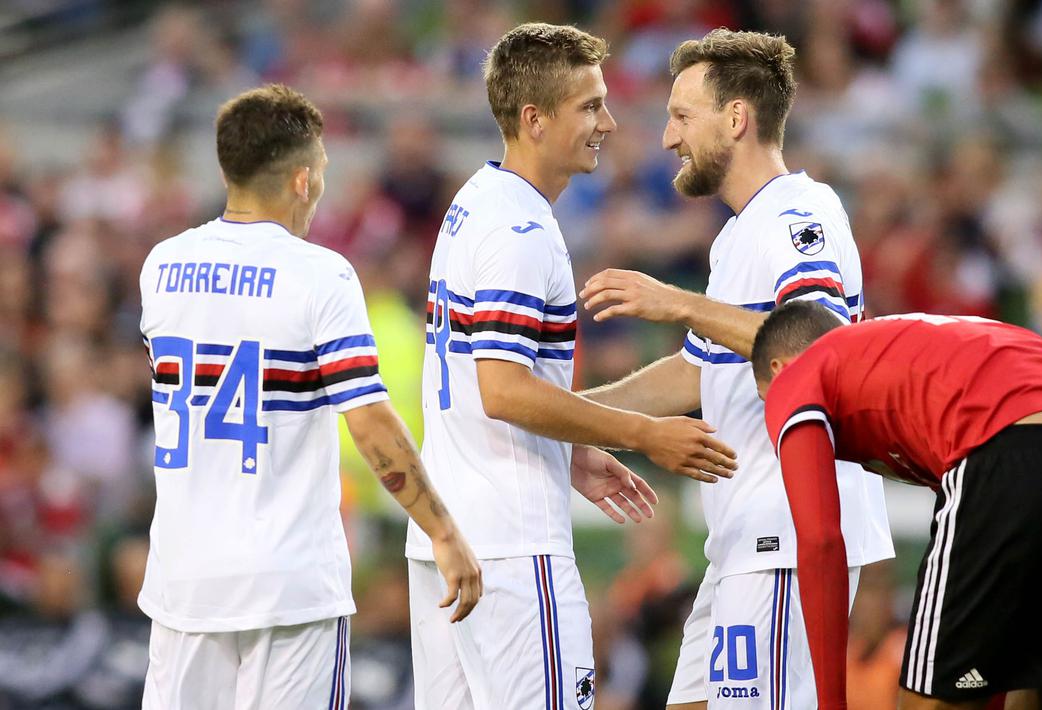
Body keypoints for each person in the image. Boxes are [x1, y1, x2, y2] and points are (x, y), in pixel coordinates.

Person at [407, 23, 738, 710]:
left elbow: (478, 385)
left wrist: (570, 452)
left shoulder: (475, 203)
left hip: (451, 537)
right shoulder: (519, 232)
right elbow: (503, 390)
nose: (608, 123)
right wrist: (639, 434)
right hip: (511, 548)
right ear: (534, 119)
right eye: (589, 106)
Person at [138, 84, 481, 710]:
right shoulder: (321, 275)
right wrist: (443, 531)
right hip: (288, 585)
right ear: (302, 182)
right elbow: (371, 424)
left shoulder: (162, 266)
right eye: (320, 173)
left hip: (182, 582)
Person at [579, 29, 893, 708]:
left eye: (681, 116)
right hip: (741, 536)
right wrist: (574, 419)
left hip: (789, 526)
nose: (667, 138)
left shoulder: (797, 215)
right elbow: (696, 376)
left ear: (735, 118)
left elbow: (819, 351)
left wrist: (677, 304)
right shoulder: (739, 235)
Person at [750, 302, 1042, 709]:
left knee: (929, 701)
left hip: (1013, 448)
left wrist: (830, 703)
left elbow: (820, 539)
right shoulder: (910, 348)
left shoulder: (799, 374)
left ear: (777, 369)